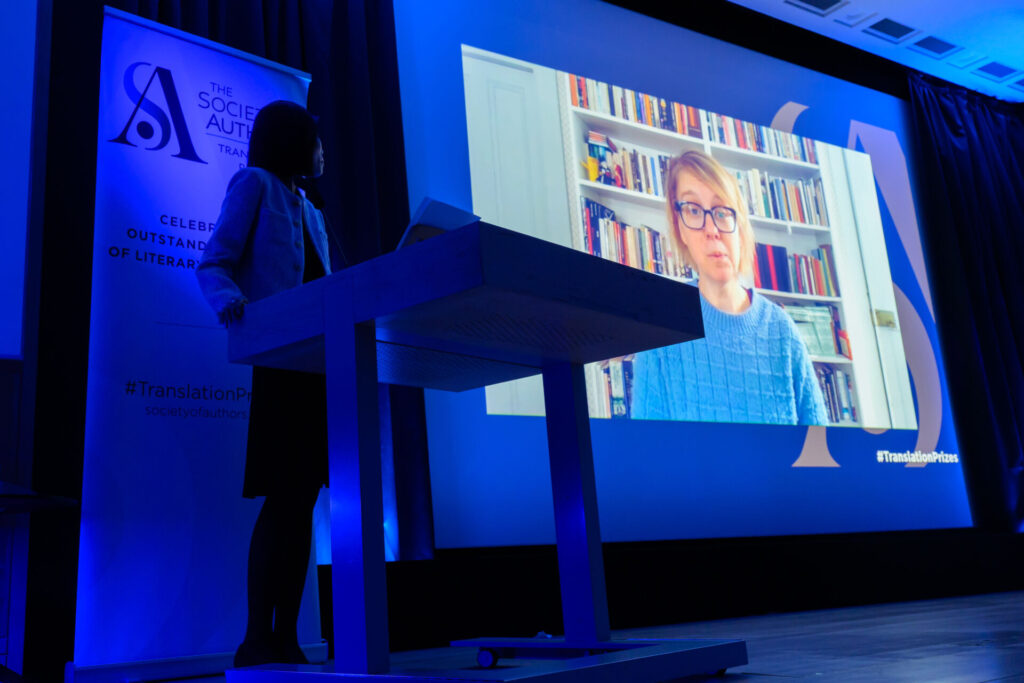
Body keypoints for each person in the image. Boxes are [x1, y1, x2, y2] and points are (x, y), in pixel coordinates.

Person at [196, 100, 332, 667]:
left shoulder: (314, 210)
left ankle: (287, 636)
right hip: (280, 362)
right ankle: (255, 637)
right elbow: (214, 262)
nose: (322, 152)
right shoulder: (253, 183)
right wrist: (232, 303)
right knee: (282, 499)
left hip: (321, 365)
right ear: (292, 140)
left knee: (302, 503)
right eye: (315, 139)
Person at [629, 150, 828, 425]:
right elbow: (648, 453)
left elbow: (819, 451)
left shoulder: (783, 331)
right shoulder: (659, 330)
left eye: (722, 212)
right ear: (680, 229)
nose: (712, 229)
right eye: (694, 210)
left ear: (740, 227)